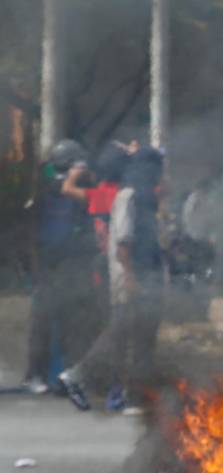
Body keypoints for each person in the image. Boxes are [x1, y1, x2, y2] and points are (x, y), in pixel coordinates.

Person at [59, 148, 166, 414]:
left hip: (144, 276)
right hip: (130, 276)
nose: (159, 174)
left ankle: (134, 395)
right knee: (121, 332)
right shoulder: (128, 196)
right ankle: (80, 376)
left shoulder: (143, 196)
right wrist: (130, 278)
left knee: (141, 338)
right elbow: (123, 245)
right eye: (156, 168)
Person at [23, 139, 97, 395]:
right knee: (42, 321)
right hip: (48, 264)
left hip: (70, 263)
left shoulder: (77, 188)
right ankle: (35, 374)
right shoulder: (45, 188)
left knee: (70, 322)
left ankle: (63, 375)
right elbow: (32, 228)